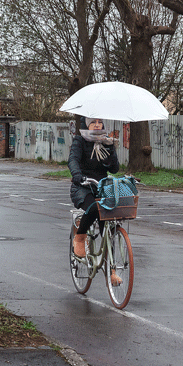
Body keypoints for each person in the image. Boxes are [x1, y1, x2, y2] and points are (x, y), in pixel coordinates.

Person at [68, 118, 120, 275]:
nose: (97, 125)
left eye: (100, 122)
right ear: (86, 125)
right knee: (94, 208)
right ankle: (80, 237)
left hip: (101, 186)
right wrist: (77, 175)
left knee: (107, 221)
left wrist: (110, 149)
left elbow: (115, 168)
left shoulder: (106, 141)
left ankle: (112, 271)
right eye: (93, 122)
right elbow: (73, 160)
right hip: (82, 186)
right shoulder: (80, 140)